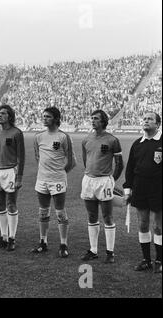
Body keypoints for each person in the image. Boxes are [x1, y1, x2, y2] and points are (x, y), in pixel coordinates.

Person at [80, 110, 123, 263]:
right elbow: (86, 161)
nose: (93, 121)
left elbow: (119, 164)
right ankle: (93, 250)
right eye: (91, 118)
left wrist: (111, 180)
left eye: (96, 118)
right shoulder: (86, 140)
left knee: (107, 216)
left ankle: (110, 253)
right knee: (92, 216)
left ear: (104, 121)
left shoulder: (112, 140)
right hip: (88, 180)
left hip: (104, 181)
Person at [32, 107, 75, 257]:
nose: (44, 119)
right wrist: (45, 172)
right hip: (42, 180)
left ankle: (63, 244)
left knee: (60, 213)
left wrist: (59, 173)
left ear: (56, 119)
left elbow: (71, 162)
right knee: (43, 212)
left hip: (57, 180)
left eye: (48, 116)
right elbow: (38, 157)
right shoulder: (38, 137)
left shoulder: (63, 137)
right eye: (43, 116)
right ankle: (43, 242)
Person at [123, 112, 162, 273]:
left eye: (150, 119)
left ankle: (159, 261)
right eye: (144, 119)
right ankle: (146, 260)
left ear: (158, 124)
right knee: (143, 223)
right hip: (140, 188)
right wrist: (127, 190)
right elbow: (130, 169)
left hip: (159, 189)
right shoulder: (137, 143)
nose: (146, 121)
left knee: (158, 227)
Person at [0, 105, 25, 251]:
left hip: (10, 171)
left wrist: (19, 178)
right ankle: (3, 236)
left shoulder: (17, 133)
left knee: (11, 204)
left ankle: (12, 238)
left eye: (3, 113)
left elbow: (21, 157)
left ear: (9, 116)